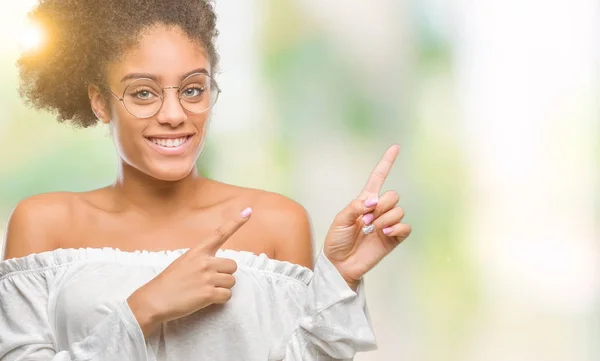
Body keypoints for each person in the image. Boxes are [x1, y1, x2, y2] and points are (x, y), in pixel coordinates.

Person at [0, 1, 411, 360]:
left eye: (193, 89)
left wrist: (340, 278)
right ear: (99, 102)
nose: (175, 114)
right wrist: (143, 309)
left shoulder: (275, 222)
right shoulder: (43, 224)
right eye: (143, 93)